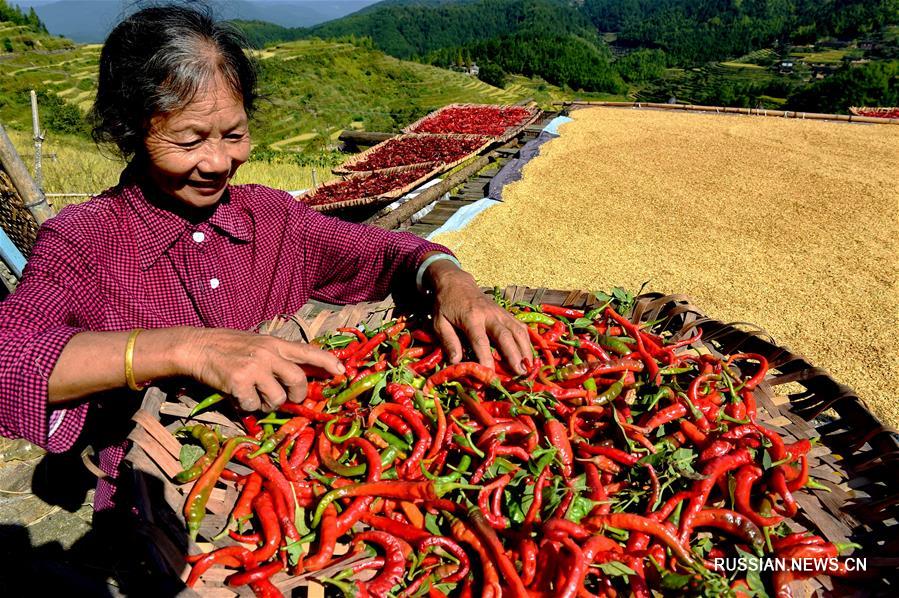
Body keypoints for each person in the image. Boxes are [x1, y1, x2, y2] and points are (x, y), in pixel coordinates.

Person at [0, 5, 531, 514]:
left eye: (234, 135)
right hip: (162, 494)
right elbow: (9, 360)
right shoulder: (83, 240)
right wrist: (184, 348)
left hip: (297, 471)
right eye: (188, 141)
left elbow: (388, 252)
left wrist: (450, 277)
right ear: (130, 131)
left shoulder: (272, 217)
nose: (217, 162)